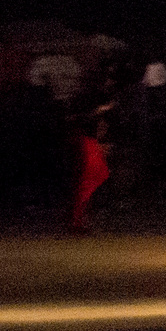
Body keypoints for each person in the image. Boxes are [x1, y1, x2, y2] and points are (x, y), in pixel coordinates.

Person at [67, 81, 117, 233]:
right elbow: (79, 119)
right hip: (86, 141)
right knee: (90, 179)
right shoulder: (89, 108)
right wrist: (100, 110)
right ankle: (78, 222)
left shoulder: (96, 108)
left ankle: (81, 221)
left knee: (94, 178)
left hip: (90, 141)